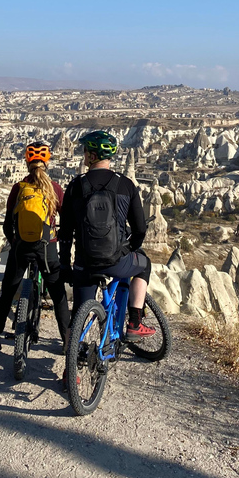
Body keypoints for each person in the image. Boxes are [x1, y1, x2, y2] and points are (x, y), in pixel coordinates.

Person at [58, 130, 156, 340]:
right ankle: (134, 323)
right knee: (144, 265)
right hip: (117, 261)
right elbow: (139, 229)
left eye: (85, 151)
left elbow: (65, 232)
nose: (83, 154)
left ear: (92, 156)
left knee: (78, 317)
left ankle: (70, 360)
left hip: (84, 264)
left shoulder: (75, 186)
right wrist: (127, 248)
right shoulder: (125, 184)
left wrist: (65, 264)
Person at [0, 141, 71, 352]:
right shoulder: (55, 188)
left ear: (26, 161)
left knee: (8, 291)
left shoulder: (19, 187)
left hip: (21, 246)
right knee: (58, 294)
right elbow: (66, 219)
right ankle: (67, 342)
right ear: (47, 162)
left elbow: (8, 223)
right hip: (47, 247)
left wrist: (15, 242)